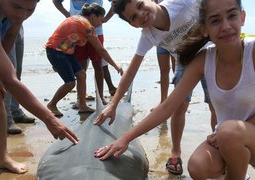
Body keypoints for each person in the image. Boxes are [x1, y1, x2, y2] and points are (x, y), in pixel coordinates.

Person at [94, 0, 255, 179]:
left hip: (240, 131)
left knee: (226, 129)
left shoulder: (184, 3)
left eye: (231, 16)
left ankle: (230, 151)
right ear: (204, 29)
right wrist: (124, 135)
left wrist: (228, 135)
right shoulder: (199, 58)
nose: (225, 26)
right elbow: (165, 106)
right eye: (215, 20)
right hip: (189, 62)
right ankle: (183, 154)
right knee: (198, 164)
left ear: (242, 17)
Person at [0, 0, 78, 174]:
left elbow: (6, 42)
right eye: (17, 7)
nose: (22, 15)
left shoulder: (16, 15)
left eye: (30, 10)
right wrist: (49, 119)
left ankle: (1, 158)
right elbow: (10, 80)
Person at [46, 3, 123, 116]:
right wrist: (116, 66)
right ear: (93, 16)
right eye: (100, 19)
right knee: (70, 83)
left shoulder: (76, 18)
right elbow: (101, 50)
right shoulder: (87, 27)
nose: (101, 22)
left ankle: (82, 106)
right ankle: (52, 104)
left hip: (65, 52)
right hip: (56, 52)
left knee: (81, 74)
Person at [4, 25, 35, 135]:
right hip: (3, 24)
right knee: (9, 74)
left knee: (17, 73)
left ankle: (15, 111)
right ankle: (6, 119)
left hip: (18, 26)